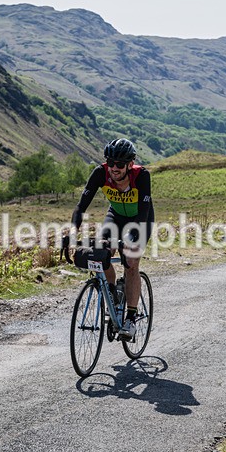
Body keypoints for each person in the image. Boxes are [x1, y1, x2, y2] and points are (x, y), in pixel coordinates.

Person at [71, 138, 154, 340]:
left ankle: (131, 318)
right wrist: (72, 232)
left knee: (131, 261)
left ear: (129, 164)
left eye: (119, 164)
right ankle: (112, 293)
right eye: (110, 162)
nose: (114, 168)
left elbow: (143, 213)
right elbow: (81, 206)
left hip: (139, 220)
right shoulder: (101, 173)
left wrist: (131, 238)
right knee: (101, 253)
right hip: (115, 217)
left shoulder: (141, 176)